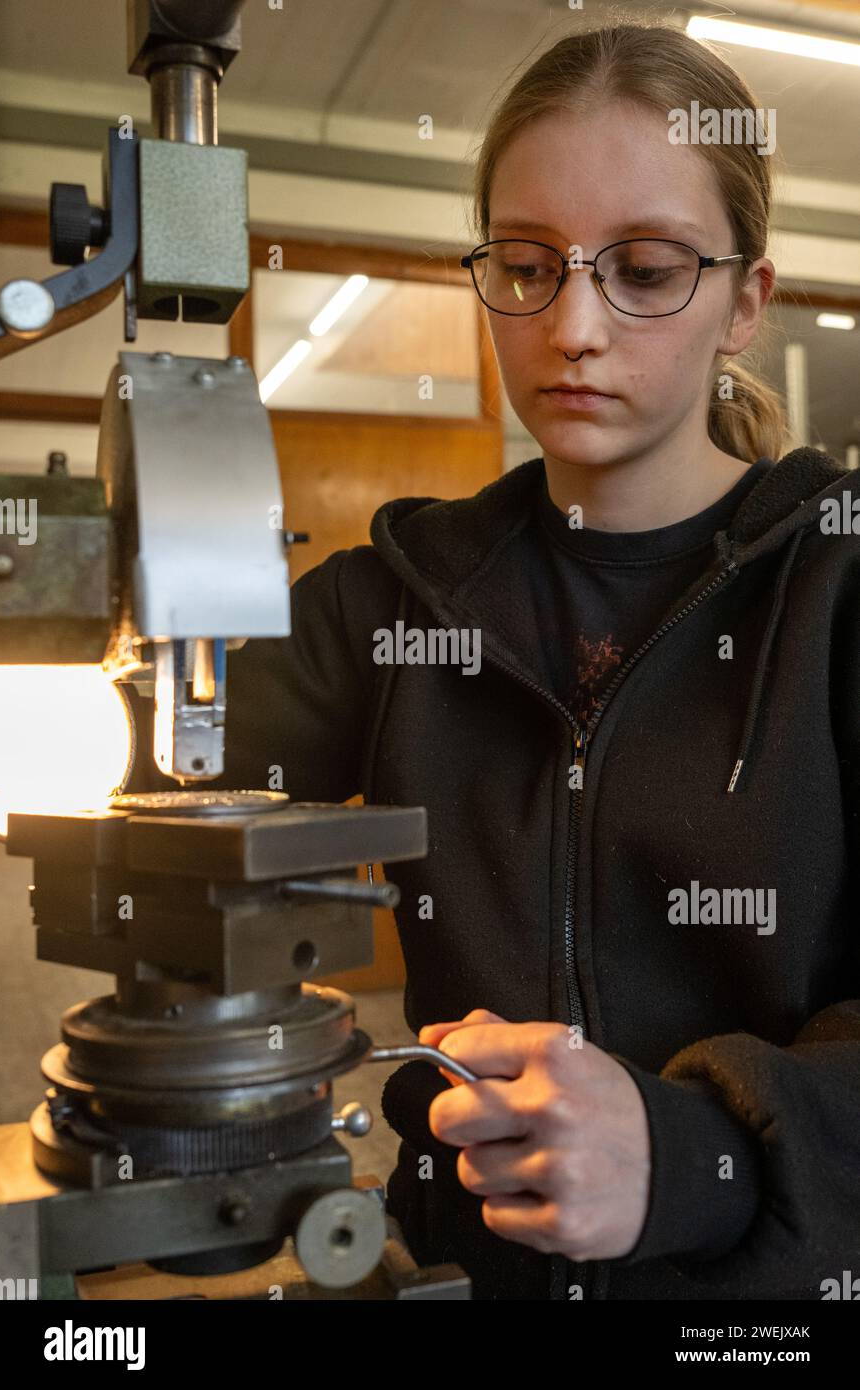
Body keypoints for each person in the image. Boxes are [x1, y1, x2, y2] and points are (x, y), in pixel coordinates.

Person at [127, 21, 860, 1301]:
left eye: (643, 269)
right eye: (526, 266)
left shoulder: (841, 591)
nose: (573, 325)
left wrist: (698, 1156)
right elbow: (167, 740)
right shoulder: (396, 600)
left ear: (745, 300)